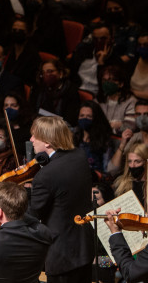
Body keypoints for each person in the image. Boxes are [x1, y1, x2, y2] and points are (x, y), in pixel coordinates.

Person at [28, 116, 94, 283]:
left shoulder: (45, 175)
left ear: (48, 142)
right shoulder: (79, 156)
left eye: (35, 135)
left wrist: (3, 198)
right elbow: (61, 194)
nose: (31, 140)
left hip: (61, 255)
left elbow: (33, 215)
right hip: (84, 249)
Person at [113, 142, 148, 213]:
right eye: (130, 161)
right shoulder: (121, 183)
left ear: (146, 163)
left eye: (137, 161)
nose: (132, 165)